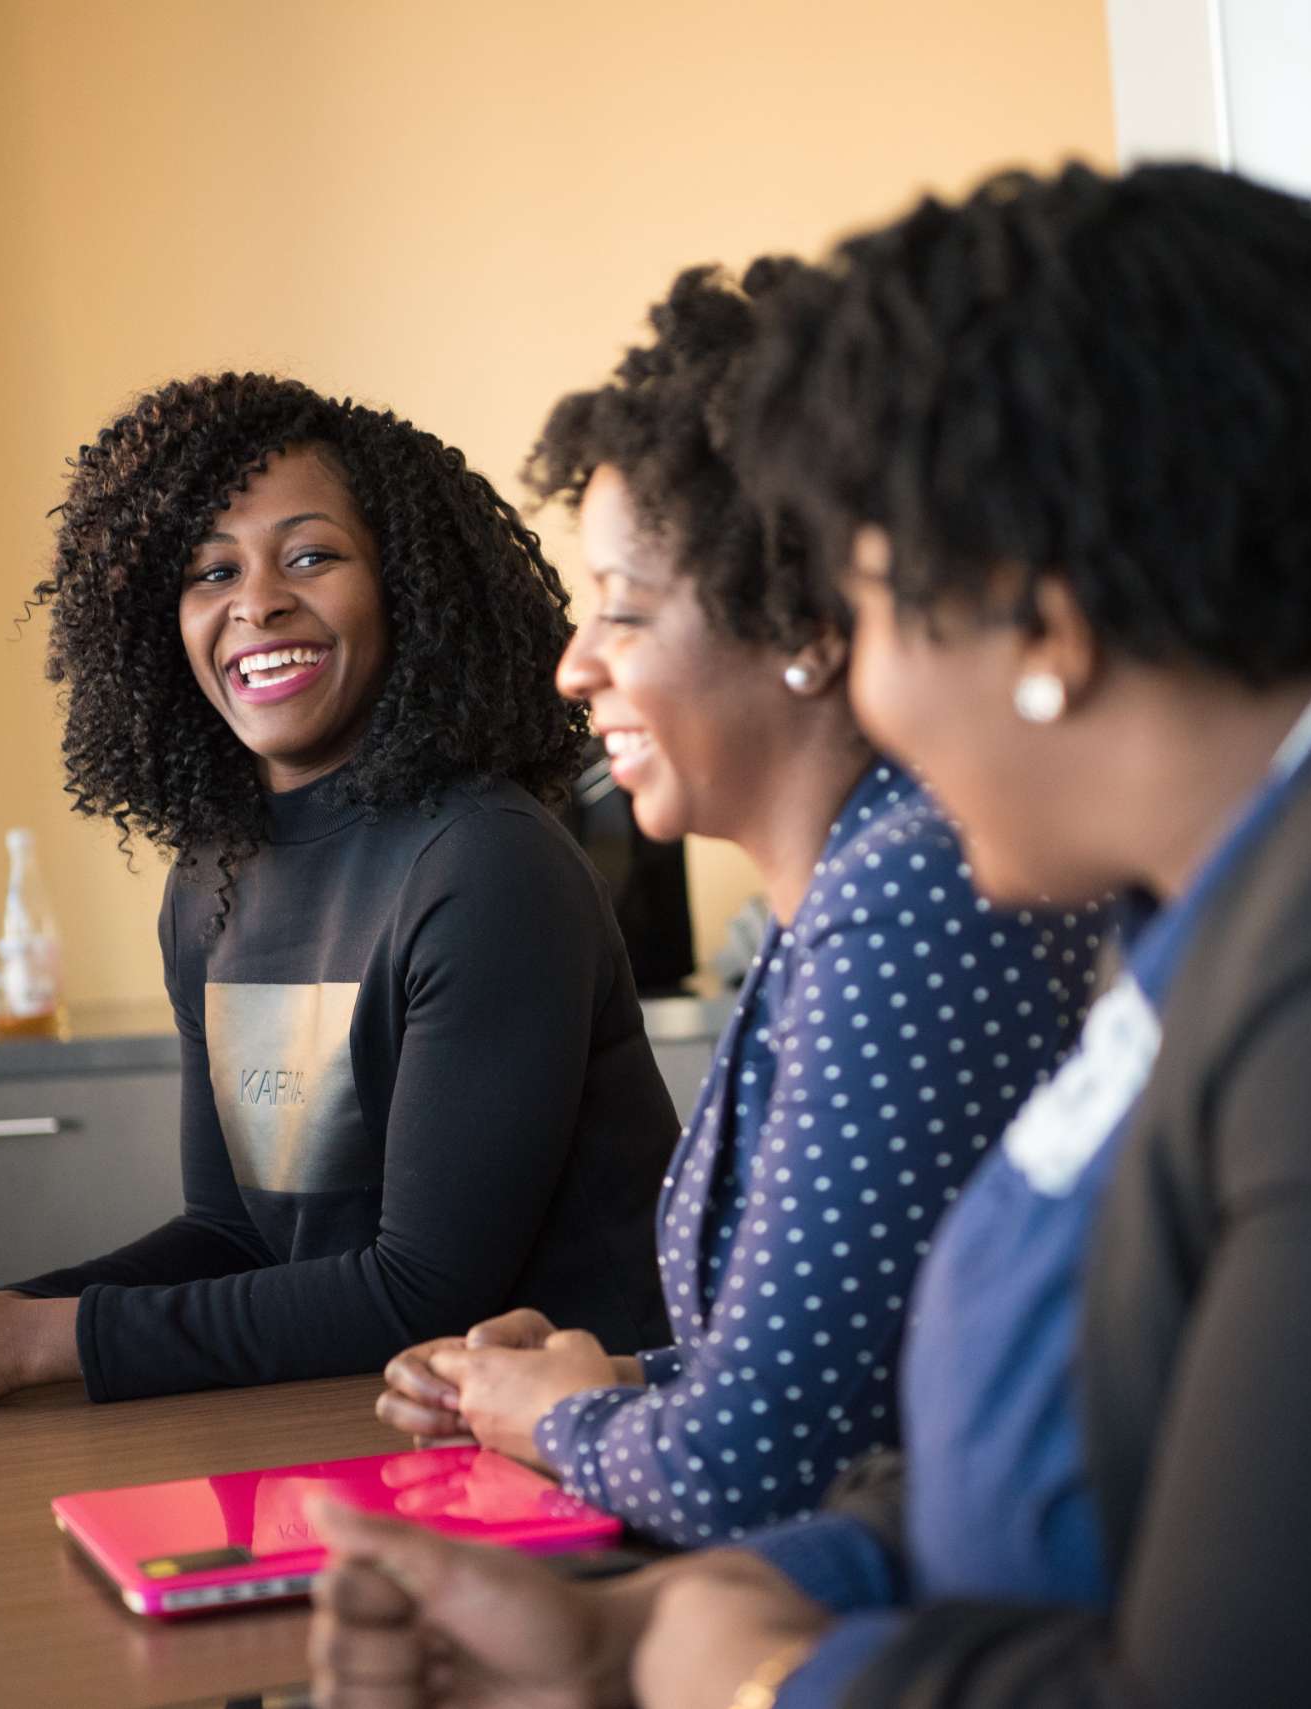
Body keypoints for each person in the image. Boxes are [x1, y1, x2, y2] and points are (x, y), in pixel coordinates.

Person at [303, 165, 1311, 1706]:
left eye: (871, 610)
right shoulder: (1302, 838)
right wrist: (648, 1618)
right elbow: (1087, 1431)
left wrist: (770, 1678)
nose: (868, 695)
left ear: (1040, 619)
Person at [371, 263, 1104, 1546]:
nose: (574, 662)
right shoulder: (846, 890)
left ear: (804, 626)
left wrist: (557, 1420)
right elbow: (843, 1378)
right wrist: (583, 1385)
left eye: (623, 611)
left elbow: (751, 1471)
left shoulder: (909, 898)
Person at [0, 373, 679, 1413]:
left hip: (572, 1452)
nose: (257, 601)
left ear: (408, 588)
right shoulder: (211, 878)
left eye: (312, 555)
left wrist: (25, 1339)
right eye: (209, 571)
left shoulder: (485, 862)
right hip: (345, 1416)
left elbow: (419, 1288)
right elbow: (234, 1235)